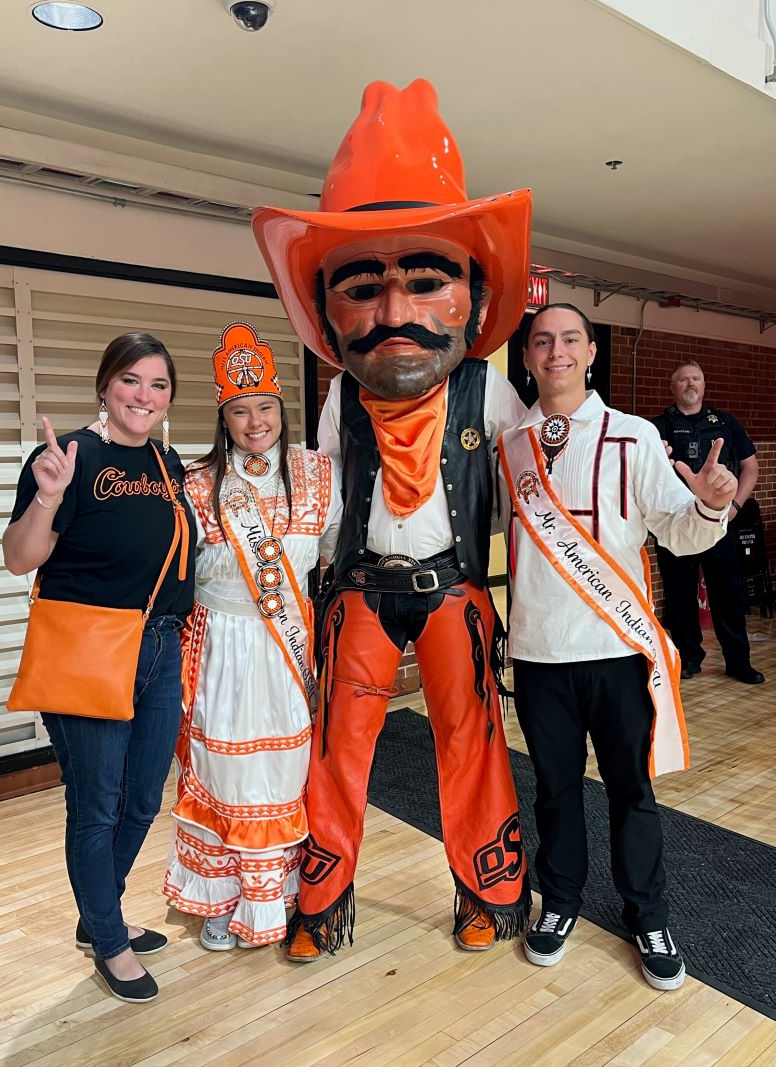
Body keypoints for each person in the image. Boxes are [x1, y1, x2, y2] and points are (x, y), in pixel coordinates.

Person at [251, 78, 533, 961]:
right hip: (360, 592)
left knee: (474, 740)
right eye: (364, 287)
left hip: (454, 587)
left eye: (425, 280)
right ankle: (319, 901)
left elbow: (541, 504)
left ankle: (490, 892)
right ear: (331, 313)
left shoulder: (496, 395)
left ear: (474, 297)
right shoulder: (340, 398)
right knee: (337, 750)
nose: (396, 313)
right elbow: (322, 502)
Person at [496, 304, 739, 991]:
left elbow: (681, 531)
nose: (556, 351)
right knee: (554, 789)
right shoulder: (511, 443)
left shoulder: (633, 436)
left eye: (570, 338)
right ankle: (562, 899)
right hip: (540, 653)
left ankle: (649, 913)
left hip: (616, 649)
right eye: (543, 341)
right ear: (528, 357)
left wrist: (713, 504)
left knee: (633, 791)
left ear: (592, 351)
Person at [3, 332, 196, 1004]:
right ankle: (109, 940)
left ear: (170, 396)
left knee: (143, 798)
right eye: (131, 381)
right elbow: (20, 558)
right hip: (89, 648)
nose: (144, 396)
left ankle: (99, 915)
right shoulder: (68, 458)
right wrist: (49, 496)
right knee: (96, 805)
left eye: (158, 384)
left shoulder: (170, 463)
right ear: (105, 384)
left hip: (162, 648)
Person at [164, 322, 341, 950]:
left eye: (264, 406)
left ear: (281, 409)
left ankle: (278, 897)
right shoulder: (194, 482)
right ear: (224, 416)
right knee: (222, 770)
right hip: (219, 646)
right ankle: (221, 897)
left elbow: (327, 558)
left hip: (285, 648)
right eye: (239, 410)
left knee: (282, 772)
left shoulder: (318, 475)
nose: (254, 421)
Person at [651, 361, 765, 684]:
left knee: (729, 593)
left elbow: (750, 467)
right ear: (672, 388)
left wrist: (735, 507)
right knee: (679, 595)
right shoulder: (657, 427)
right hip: (676, 526)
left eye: (697, 379)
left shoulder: (726, 423)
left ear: (704, 386)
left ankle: (738, 661)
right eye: (684, 380)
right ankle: (689, 658)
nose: (691, 384)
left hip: (720, 524)